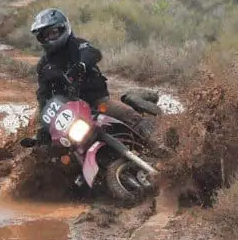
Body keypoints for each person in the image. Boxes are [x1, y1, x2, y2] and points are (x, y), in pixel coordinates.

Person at [30, 8, 155, 145]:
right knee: (47, 142)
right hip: (70, 111)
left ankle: (160, 147)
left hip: (97, 102)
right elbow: (42, 95)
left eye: (53, 33)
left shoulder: (78, 45)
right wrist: (44, 126)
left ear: (63, 28)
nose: (49, 38)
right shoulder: (44, 65)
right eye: (44, 35)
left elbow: (92, 53)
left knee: (130, 116)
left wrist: (81, 65)